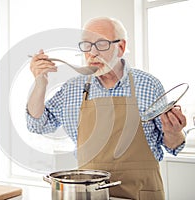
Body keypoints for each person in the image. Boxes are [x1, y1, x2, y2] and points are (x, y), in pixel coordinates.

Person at [26, 16, 186, 199]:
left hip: (142, 192)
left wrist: (174, 132)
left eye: (101, 44)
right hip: (89, 194)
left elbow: (173, 146)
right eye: (86, 45)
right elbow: (37, 124)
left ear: (121, 47)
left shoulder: (149, 85)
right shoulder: (72, 89)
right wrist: (40, 83)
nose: (92, 53)